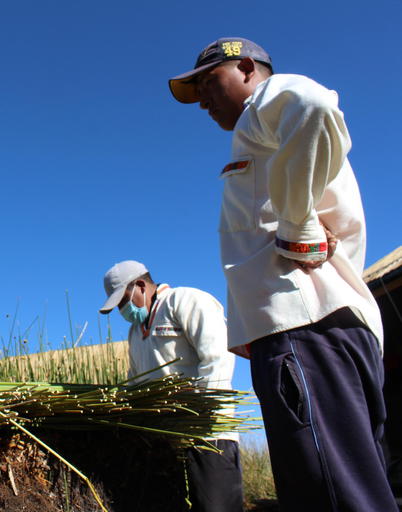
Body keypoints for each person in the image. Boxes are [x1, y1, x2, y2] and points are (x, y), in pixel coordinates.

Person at [168, 38, 396, 511]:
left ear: (248, 68)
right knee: (359, 489)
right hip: (326, 328)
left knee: (329, 493)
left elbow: (313, 106)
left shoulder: (265, 103)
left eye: (210, 83)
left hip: (303, 331)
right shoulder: (267, 133)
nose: (204, 100)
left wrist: (297, 227)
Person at [100, 260, 243, 512]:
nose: (123, 310)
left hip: (207, 437)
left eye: (123, 301)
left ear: (141, 286)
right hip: (166, 444)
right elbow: (136, 385)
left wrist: (200, 407)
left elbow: (217, 356)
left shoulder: (185, 301)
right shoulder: (135, 333)